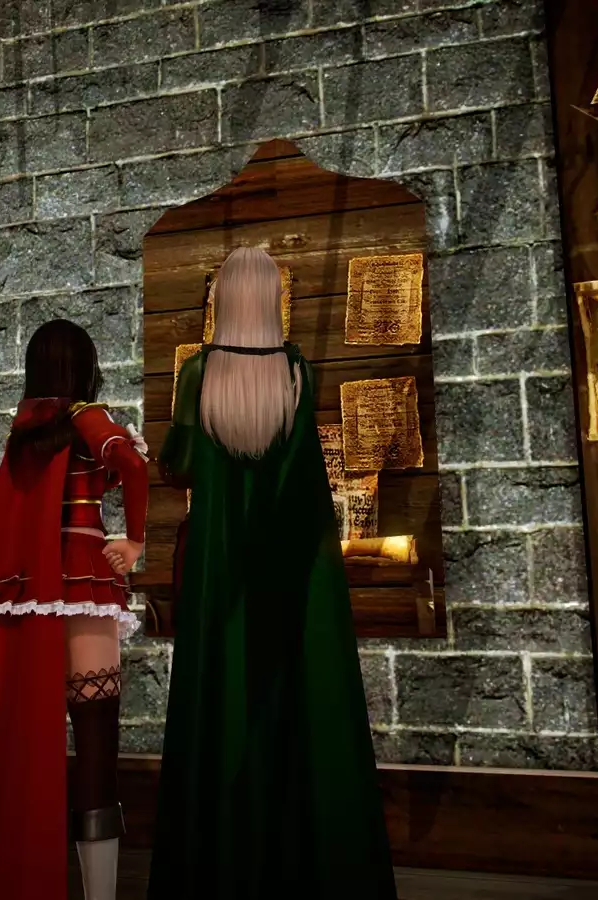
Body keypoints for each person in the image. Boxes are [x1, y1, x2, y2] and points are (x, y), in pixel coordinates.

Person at [147, 247, 397, 899]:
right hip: (284, 563)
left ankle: (218, 860)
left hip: (219, 560)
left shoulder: (199, 371)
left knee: (219, 690)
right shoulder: (295, 371)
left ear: (224, 298)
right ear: (271, 299)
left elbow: (180, 462)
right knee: (289, 699)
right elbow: (301, 478)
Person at [0, 319, 149, 900]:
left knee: (24, 736)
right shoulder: (86, 416)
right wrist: (135, 540)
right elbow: (133, 467)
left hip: (31, 595)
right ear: (85, 367)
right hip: (83, 584)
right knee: (96, 744)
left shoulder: (26, 431)